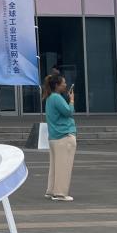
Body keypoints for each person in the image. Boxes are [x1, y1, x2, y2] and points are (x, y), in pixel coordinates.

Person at [43, 73, 77, 202]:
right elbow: (69, 112)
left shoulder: (50, 97)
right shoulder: (57, 98)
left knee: (55, 166)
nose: (65, 85)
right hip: (64, 136)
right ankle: (60, 193)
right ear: (57, 85)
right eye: (63, 83)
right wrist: (71, 100)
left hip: (54, 137)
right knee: (64, 166)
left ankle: (51, 190)